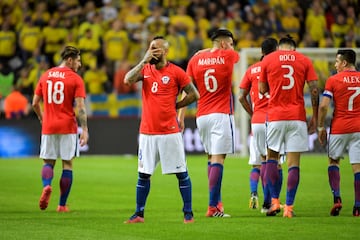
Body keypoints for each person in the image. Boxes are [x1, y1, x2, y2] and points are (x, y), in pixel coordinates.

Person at [123, 36, 200, 224]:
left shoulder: (176, 72)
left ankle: (188, 213)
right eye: (150, 48)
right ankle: (139, 214)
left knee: (181, 173)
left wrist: (177, 105)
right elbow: (127, 80)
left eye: (155, 48)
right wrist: (143, 60)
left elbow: (194, 94)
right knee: (143, 174)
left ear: (165, 52)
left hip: (169, 132)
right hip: (147, 132)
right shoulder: (145, 69)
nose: (152, 51)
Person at [181, 28, 239, 217]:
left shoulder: (195, 59)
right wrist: (216, 51)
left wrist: (180, 117)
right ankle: (213, 207)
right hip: (221, 114)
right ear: (223, 44)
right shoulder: (229, 56)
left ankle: (217, 203)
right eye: (230, 43)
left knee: (210, 158)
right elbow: (229, 54)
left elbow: (187, 89)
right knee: (218, 159)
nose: (232, 47)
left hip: (202, 115)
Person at [259, 35, 319, 217]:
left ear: (279, 47)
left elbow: (262, 89)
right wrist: (315, 117)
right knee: (294, 163)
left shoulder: (269, 59)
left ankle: (275, 202)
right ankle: (289, 208)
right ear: (294, 48)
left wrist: (275, 88)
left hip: (276, 116)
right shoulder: (304, 60)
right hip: (297, 117)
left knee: (271, 157)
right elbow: (314, 89)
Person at [32, 46, 88, 212]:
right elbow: (81, 107)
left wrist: (42, 117)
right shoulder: (76, 79)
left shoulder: (46, 74)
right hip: (67, 126)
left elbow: (35, 103)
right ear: (69, 60)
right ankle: (62, 205)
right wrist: (84, 129)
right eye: (78, 61)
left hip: (49, 126)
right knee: (68, 164)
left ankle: (47, 186)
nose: (79, 64)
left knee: (48, 162)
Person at [239, 38, 283, 213]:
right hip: (275, 118)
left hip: (257, 120)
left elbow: (241, 96)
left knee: (262, 162)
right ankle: (272, 202)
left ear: (262, 52)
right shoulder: (278, 67)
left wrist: (252, 113)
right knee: (276, 162)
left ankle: (263, 200)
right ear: (277, 50)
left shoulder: (251, 70)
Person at [318, 49, 360, 217]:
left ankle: (337, 198)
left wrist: (321, 127)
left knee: (333, 162)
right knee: (357, 168)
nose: (335, 65)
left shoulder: (333, 80)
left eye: (337, 61)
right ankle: (358, 206)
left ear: (344, 63)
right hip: (358, 128)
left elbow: (323, 106)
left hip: (340, 127)